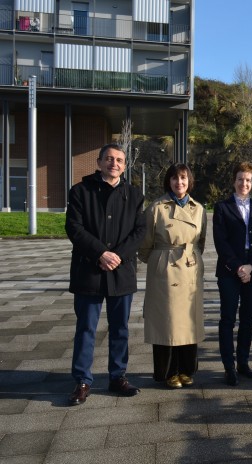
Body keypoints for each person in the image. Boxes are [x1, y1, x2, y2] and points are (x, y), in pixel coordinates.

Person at [65, 143, 146, 406]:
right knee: (86, 328)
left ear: (125, 165)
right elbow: (74, 228)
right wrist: (100, 253)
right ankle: (82, 380)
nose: (114, 164)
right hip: (88, 271)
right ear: (99, 162)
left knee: (120, 328)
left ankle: (117, 376)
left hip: (121, 272)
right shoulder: (80, 191)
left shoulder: (134, 195)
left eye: (120, 160)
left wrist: (117, 255)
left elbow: (139, 232)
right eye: (109, 159)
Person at [138, 163, 207, 389]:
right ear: (168, 181)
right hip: (165, 269)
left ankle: (187, 370)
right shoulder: (157, 208)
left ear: (190, 182)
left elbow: (201, 241)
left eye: (184, 179)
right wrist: (160, 261)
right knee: (166, 322)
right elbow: (145, 244)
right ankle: (168, 372)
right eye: (175, 178)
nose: (180, 183)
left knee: (189, 320)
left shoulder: (199, 209)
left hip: (190, 266)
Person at [213, 161, 252, 386]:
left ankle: (243, 363)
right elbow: (220, 241)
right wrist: (238, 267)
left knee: (248, 319)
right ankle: (229, 366)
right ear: (234, 181)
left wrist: (251, 267)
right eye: (240, 179)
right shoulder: (222, 207)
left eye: (248, 180)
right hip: (229, 271)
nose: (243, 183)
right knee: (228, 319)